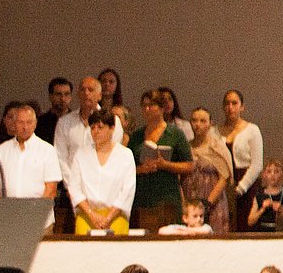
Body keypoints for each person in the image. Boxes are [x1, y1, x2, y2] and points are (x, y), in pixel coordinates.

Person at [0, 100, 62, 214]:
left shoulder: (48, 150)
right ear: (15, 124)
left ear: (35, 123)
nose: (25, 127)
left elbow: (51, 188)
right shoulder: (1, 151)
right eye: (21, 122)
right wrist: (0, 209)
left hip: (39, 216)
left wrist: (34, 212)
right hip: (8, 216)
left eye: (29, 122)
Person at [130, 90, 193, 230]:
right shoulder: (137, 135)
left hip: (167, 195)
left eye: (151, 105)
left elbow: (189, 166)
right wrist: (141, 169)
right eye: (144, 106)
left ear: (162, 108)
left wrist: (165, 165)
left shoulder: (175, 134)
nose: (147, 109)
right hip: (142, 196)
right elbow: (126, 167)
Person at [70, 109, 136, 235]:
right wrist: (91, 214)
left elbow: (127, 190)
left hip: (116, 215)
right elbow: (74, 188)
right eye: (92, 128)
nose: (96, 131)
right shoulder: (81, 154)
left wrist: (108, 218)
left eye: (100, 127)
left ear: (112, 128)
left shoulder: (125, 155)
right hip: (87, 215)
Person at [178, 105, 235, 235]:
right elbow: (179, 177)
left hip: (213, 202)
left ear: (210, 123)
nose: (198, 124)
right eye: (194, 120)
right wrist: (184, 203)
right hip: (191, 201)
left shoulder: (216, 147)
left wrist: (208, 202)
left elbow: (224, 177)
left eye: (203, 121)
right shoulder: (186, 148)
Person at [219, 89, 265, 204]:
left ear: (242, 107)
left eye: (234, 103)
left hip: (247, 184)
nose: (230, 107)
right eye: (227, 103)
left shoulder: (252, 130)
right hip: (222, 183)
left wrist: (241, 188)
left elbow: (257, 165)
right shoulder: (215, 131)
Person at [245, 159, 283, 231]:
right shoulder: (259, 196)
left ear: (282, 174)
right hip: (263, 232)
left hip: (282, 232)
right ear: (264, 175)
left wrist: (282, 210)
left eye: (276, 172)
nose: (272, 175)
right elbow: (250, 221)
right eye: (269, 172)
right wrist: (262, 209)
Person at [36, 77, 72, 144]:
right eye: (58, 94)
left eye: (67, 94)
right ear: (50, 96)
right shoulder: (40, 123)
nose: (63, 98)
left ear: (71, 97)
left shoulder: (77, 122)